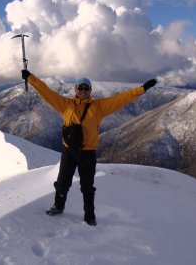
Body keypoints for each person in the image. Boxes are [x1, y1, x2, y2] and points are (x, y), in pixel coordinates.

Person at [21, 69, 156, 226]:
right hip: (69, 151)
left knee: (87, 186)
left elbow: (122, 99)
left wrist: (142, 89)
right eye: (80, 88)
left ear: (90, 91)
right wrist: (30, 77)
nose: (83, 91)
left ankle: (89, 215)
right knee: (62, 182)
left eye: (86, 89)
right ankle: (58, 206)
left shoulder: (98, 107)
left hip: (88, 152)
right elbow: (46, 91)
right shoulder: (65, 105)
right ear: (75, 89)